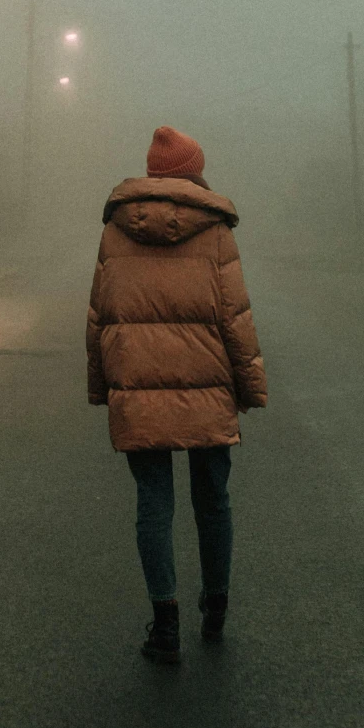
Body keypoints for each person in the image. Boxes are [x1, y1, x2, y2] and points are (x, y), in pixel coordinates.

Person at [86, 124, 268, 663]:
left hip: (139, 389)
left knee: (154, 504)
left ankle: (164, 626)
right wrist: (251, 387)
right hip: (208, 387)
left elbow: (101, 317)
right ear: (195, 172)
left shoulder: (116, 231)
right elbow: (235, 317)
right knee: (213, 500)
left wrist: (102, 386)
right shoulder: (215, 230)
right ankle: (215, 609)